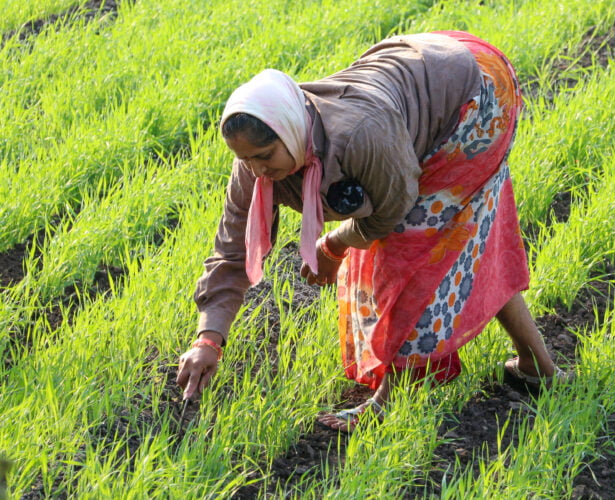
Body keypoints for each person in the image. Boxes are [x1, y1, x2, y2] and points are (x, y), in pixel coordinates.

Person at [176, 30, 568, 432]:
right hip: (422, 76)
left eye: (264, 156)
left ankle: (387, 401)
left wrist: (335, 243)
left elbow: (393, 209)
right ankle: (537, 367)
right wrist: (208, 339)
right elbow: (233, 250)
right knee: (465, 242)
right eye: (245, 160)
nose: (258, 170)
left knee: (410, 253)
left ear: (292, 126)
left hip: (476, 96)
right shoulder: (256, 168)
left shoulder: (359, 135)